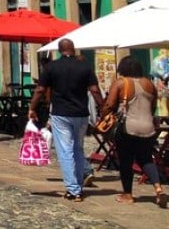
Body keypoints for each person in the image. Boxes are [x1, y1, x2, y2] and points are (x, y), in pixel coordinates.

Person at [28, 38, 103, 202]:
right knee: (77, 149)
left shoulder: (51, 67)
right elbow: (95, 90)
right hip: (81, 114)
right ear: (73, 49)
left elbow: (40, 89)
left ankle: (73, 189)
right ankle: (78, 187)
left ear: (59, 50)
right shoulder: (85, 67)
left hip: (61, 114)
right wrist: (103, 108)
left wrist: (32, 107)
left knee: (65, 151)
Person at [100, 56, 166, 206]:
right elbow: (153, 106)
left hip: (128, 128)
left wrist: (103, 116)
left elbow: (109, 105)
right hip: (148, 127)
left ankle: (128, 194)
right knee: (146, 159)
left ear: (123, 68)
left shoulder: (121, 83)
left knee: (125, 161)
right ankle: (158, 189)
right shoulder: (149, 84)